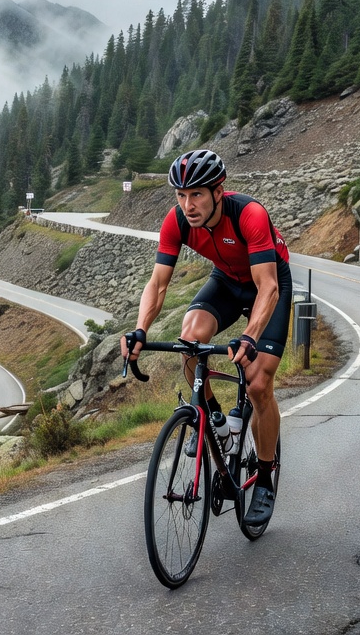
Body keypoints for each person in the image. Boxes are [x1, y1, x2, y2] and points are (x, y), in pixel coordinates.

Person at [121, 149, 291, 526]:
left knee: (259, 382)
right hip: (227, 283)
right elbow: (158, 284)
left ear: (218, 190)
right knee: (189, 341)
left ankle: (263, 480)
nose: (187, 205)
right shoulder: (177, 221)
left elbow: (268, 288)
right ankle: (215, 422)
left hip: (267, 284)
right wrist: (140, 330)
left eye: (196, 194)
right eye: (181, 196)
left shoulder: (249, 214)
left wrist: (248, 337)